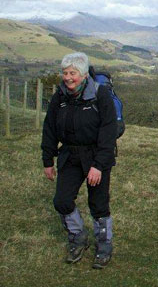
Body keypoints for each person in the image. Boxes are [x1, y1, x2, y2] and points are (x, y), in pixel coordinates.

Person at [41, 52, 117, 269]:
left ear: (83, 75)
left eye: (72, 73)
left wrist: (99, 165)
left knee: (98, 204)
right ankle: (77, 235)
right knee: (62, 201)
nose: (68, 77)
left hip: (96, 155)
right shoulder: (60, 97)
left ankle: (103, 244)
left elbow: (108, 132)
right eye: (65, 73)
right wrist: (48, 159)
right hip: (70, 155)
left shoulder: (100, 96)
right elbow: (49, 128)